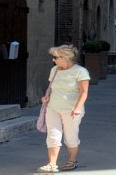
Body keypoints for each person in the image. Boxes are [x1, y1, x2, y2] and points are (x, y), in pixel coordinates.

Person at [37, 45, 89, 173]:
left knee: (71, 137)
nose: (53, 60)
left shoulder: (80, 71)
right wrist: (47, 97)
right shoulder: (54, 70)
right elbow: (52, 87)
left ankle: (72, 160)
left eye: (55, 57)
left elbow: (84, 92)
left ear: (65, 57)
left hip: (71, 110)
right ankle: (52, 164)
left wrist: (77, 108)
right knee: (52, 136)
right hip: (53, 108)